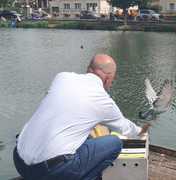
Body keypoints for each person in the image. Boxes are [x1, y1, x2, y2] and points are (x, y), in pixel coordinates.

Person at [13, 54, 151, 180]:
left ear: (88, 69)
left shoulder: (61, 77)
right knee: (115, 143)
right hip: (52, 172)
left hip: (19, 162)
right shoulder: (103, 101)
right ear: (109, 77)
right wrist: (140, 129)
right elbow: (126, 128)